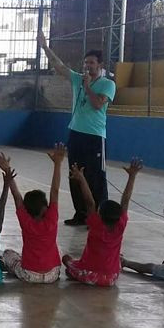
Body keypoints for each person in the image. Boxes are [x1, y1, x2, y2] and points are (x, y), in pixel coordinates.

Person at [37, 31, 116, 226]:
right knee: (75, 174)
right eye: (86, 63)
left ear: (100, 65)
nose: (88, 66)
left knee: (95, 176)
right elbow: (59, 66)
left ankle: (99, 216)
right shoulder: (77, 79)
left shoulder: (107, 84)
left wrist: (88, 86)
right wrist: (45, 47)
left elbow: (98, 104)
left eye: (92, 63)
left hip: (95, 136)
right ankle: (81, 213)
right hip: (76, 133)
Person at [62, 158, 143, 287]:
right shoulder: (120, 225)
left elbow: (89, 202)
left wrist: (81, 178)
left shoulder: (96, 225)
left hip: (91, 275)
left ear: (99, 215)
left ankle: (76, 272)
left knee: (66, 259)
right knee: (117, 257)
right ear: (118, 216)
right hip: (112, 277)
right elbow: (125, 201)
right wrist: (132, 176)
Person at [0, 144, 66, 284]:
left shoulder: (26, 221)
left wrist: (8, 171)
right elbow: (55, 191)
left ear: (27, 209)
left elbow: (17, 197)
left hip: (30, 274)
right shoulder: (51, 219)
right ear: (44, 208)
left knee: (7, 254)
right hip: (52, 274)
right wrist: (58, 164)